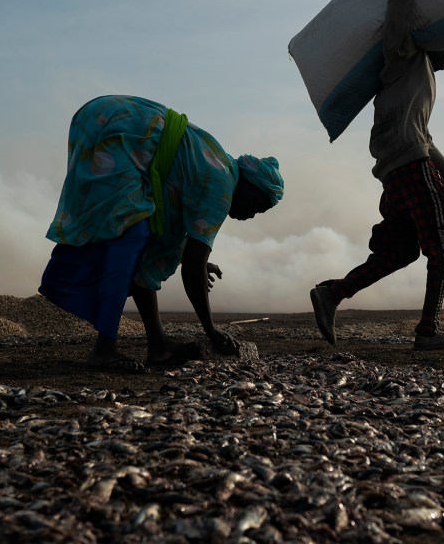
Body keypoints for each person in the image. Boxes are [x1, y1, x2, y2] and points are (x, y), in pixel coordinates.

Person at [309, 0, 444, 351]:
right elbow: (396, 30)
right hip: (409, 168)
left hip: (397, 171)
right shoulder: (406, 58)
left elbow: (425, 139)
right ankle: (427, 332)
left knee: (400, 250)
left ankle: (333, 293)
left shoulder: (421, 80)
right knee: (441, 246)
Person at [40, 95, 284, 370]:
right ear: (250, 185)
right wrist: (211, 330)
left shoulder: (218, 165)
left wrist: (195, 260)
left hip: (104, 116)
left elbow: (174, 238)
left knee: (141, 238)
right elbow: (192, 270)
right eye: (257, 205)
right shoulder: (222, 188)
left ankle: (158, 347)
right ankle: (104, 350)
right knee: (129, 237)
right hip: (117, 126)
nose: (251, 215)